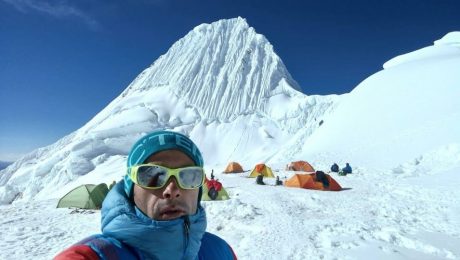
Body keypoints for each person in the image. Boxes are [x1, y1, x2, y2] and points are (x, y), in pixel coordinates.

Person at [55, 130, 237, 259]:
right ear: (131, 187)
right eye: (152, 175)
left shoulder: (222, 252)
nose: (171, 191)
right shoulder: (94, 256)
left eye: (189, 175)